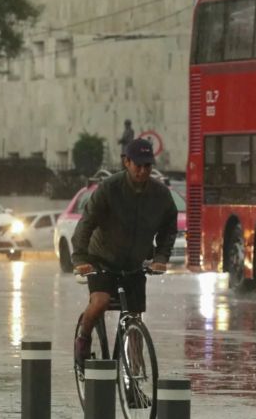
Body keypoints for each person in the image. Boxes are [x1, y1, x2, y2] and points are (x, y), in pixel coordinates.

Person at [72, 139, 177, 401]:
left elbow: (169, 227)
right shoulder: (109, 189)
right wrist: (79, 259)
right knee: (100, 301)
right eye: (138, 165)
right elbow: (86, 223)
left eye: (147, 166)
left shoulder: (160, 194)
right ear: (126, 162)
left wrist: (161, 256)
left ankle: (133, 383)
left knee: (134, 319)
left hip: (133, 264)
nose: (143, 171)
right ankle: (83, 340)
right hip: (102, 259)